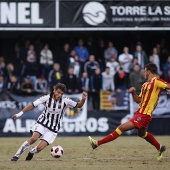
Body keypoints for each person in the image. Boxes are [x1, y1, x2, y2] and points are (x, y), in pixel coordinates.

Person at [88, 63, 170, 161]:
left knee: (120, 128)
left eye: (145, 70)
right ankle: (160, 147)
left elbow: (167, 85)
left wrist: (168, 89)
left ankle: (97, 143)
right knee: (141, 134)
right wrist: (133, 93)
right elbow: (139, 100)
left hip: (144, 115)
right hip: (140, 113)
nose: (144, 72)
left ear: (148, 71)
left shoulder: (156, 81)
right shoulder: (144, 85)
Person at [11, 83, 87, 161]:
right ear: (54, 90)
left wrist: (83, 99)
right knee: (34, 138)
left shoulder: (65, 100)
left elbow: (79, 105)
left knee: (40, 148)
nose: (59, 95)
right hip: (42, 122)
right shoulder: (46, 98)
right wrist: (19, 114)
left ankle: (32, 151)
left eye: (61, 93)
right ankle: (16, 156)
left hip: (53, 128)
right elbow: (32, 105)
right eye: (58, 92)